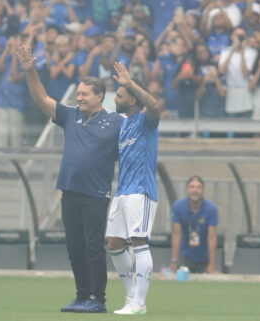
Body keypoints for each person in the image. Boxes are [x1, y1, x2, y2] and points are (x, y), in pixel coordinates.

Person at [15, 43, 123, 313]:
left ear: (100, 96)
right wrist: (30, 71)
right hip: (70, 192)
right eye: (79, 93)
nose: (80, 97)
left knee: (94, 248)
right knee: (75, 249)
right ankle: (82, 295)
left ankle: (98, 299)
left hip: (96, 195)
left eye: (85, 93)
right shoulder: (70, 115)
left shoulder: (116, 122)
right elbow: (42, 98)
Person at [106, 62, 159, 316]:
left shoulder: (145, 121)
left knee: (139, 242)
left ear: (133, 99)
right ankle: (131, 296)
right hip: (123, 191)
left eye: (120, 94)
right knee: (115, 244)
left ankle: (139, 302)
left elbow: (155, 107)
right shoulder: (124, 124)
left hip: (141, 190)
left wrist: (131, 84)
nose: (115, 98)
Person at [169, 176, 219, 274]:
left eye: (198, 187)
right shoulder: (178, 206)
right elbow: (176, 234)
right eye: (192, 187)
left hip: (204, 257)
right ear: (187, 190)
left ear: (203, 190)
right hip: (185, 256)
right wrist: (174, 261)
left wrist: (212, 265)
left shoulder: (211, 208)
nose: (195, 190)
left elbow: (212, 237)